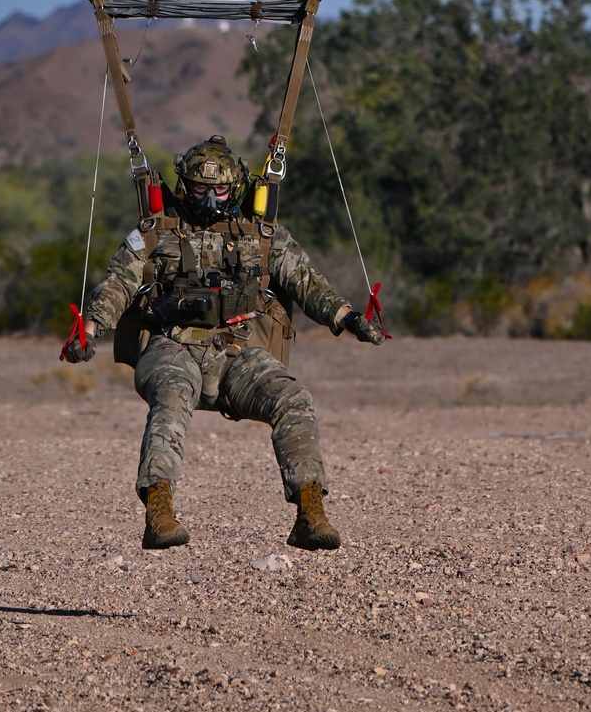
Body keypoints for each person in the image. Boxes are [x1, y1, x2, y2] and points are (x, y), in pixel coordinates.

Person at [63, 135, 383, 551]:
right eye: (200, 189)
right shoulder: (154, 234)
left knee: (293, 397)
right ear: (184, 186)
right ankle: (159, 512)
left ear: (238, 188)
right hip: (172, 345)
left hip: (238, 353)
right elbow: (116, 286)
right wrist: (88, 331)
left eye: (220, 190)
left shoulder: (264, 237)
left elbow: (308, 285)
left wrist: (350, 319)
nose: (211, 199)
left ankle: (310, 511)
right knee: (172, 396)